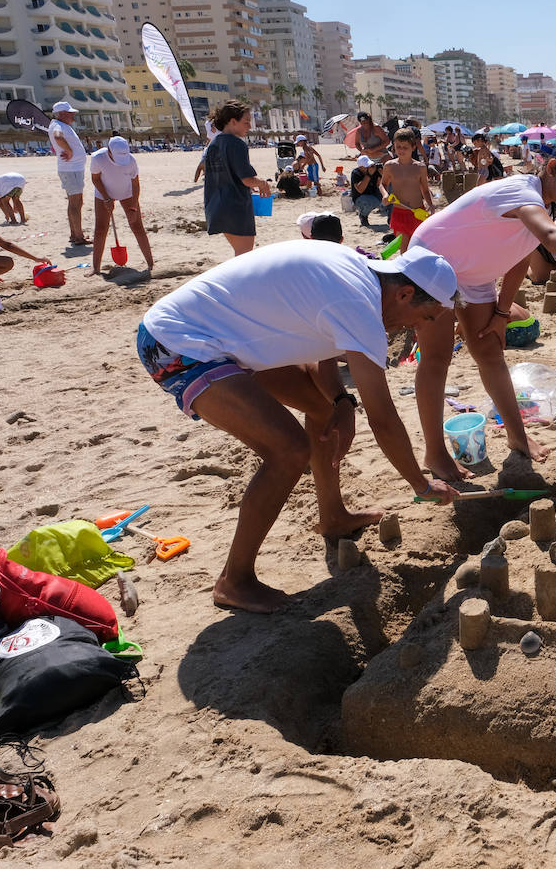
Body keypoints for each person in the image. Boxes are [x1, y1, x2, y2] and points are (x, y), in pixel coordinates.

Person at [137, 242, 462, 612]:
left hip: (221, 335)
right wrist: (420, 484)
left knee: (323, 410)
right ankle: (234, 580)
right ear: (404, 293)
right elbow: (384, 418)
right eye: (426, 316)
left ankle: (333, 518)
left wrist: (340, 402)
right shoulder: (358, 306)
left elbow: (316, 351)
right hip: (176, 343)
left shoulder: (360, 274)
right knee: (288, 450)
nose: (419, 327)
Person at [411, 137, 556, 481]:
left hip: (473, 273)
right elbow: (549, 235)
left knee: (491, 352)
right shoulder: (522, 192)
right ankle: (435, 453)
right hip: (433, 258)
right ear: (552, 168)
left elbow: (518, 257)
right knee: (437, 358)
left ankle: (517, 434)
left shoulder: (544, 205)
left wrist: (500, 313)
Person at [203, 100, 269, 257]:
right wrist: (263, 184)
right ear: (233, 122)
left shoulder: (214, 144)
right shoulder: (236, 144)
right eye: (246, 122)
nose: (249, 126)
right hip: (235, 207)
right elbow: (247, 179)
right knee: (244, 255)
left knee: (240, 253)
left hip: (216, 206)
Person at [89, 135, 154, 273]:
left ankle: (150, 264)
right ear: (109, 151)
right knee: (100, 229)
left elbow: (136, 184)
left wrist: (134, 207)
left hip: (127, 193)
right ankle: (95, 269)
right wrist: (106, 198)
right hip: (103, 193)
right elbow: (95, 179)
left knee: (137, 226)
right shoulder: (98, 158)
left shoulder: (131, 161)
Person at [382, 128, 434, 248]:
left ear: (413, 147)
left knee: (417, 248)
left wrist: (430, 205)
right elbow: (383, 184)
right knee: (404, 250)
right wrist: (385, 195)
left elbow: (425, 190)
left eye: (405, 147)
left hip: (418, 213)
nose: (401, 150)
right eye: (398, 146)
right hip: (399, 213)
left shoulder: (420, 167)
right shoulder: (390, 166)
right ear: (394, 146)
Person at [47, 101, 88, 246]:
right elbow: (58, 137)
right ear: (63, 114)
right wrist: (69, 151)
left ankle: (74, 234)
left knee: (75, 202)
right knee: (76, 203)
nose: (73, 116)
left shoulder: (60, 125)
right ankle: (78, 236)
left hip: (72, 169)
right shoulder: (57, 126)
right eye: (70, 113)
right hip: (71, 169)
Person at [350, 156, 385, 227]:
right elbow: (360, 189)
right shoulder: (356, 173)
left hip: (373, 194)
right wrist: (369, 175)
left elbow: (379, 185)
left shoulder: (374, 170)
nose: (369, 167)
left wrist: (382, 175)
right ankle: (363, 216)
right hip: (360, 198)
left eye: (370, 165)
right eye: (367, 166)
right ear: (360, 167)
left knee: (388, 199)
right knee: (369, 202)